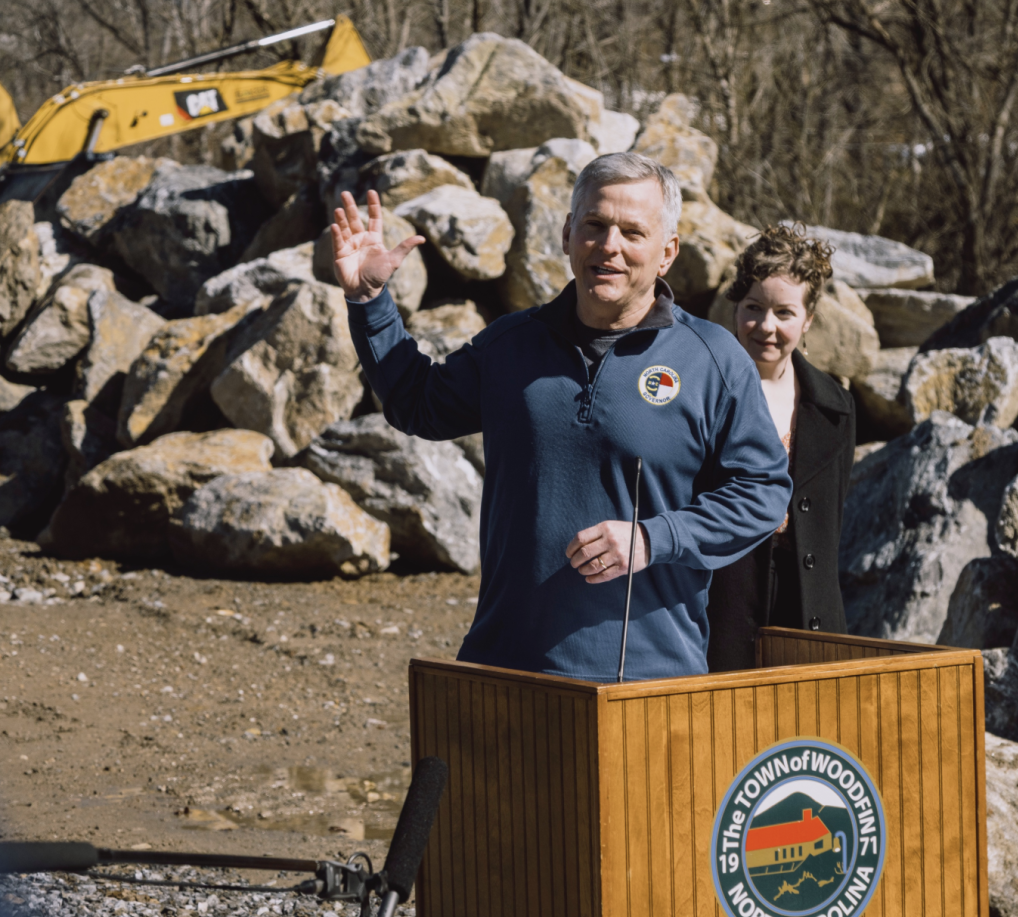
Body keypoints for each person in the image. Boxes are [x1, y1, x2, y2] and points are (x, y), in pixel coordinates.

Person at [330, 152, 792, 683]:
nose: (609, 246)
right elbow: (418, 403)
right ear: (568, 232)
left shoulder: (712, 358)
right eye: (594, 225)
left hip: (647, 681)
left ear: (667, 253)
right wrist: (369, 302)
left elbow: (763, 492)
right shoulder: (510, 344)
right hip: (503, 669)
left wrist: (654, 538)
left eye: (632, 232)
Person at [705, 225, 856, 672]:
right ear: (736, 308)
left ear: (807, 320)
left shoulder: (836, 407)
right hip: (723, 602)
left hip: (809, 605)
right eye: (753, 308)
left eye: (784, 313)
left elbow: (832, 518)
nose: (766, 327)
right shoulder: (703, 394)